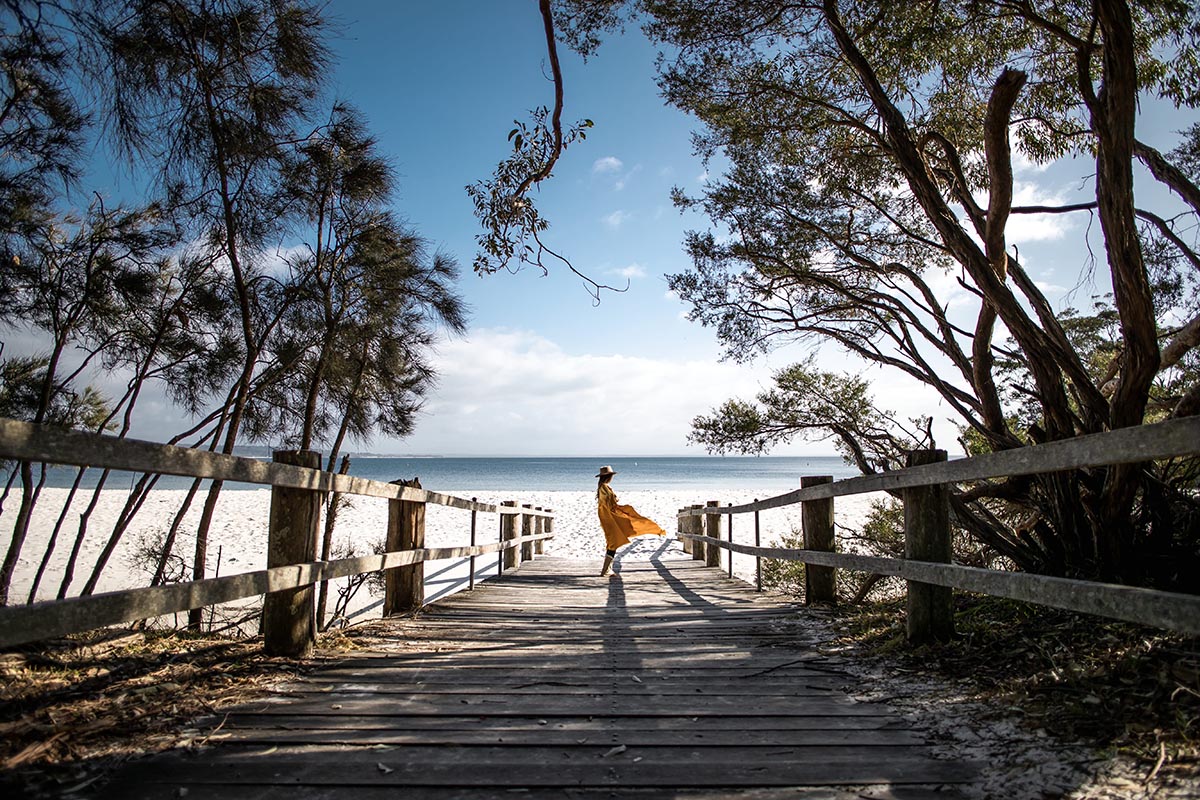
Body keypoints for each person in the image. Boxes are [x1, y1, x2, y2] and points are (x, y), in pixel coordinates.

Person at [595, 465, 665, 576]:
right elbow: (608, 502)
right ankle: (605, 570)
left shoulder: (604, 486)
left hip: (609, 516)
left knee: (613, 542)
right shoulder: (604, 487)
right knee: (613, 541)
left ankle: (607, 569)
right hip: (609, 517)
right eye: (611, 476)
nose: (612, 478)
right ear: (608, 477)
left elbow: (609, 501)